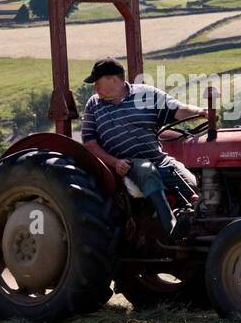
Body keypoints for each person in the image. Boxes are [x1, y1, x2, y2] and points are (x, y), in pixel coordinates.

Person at [80, 56, 204, 238]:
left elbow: (178, 110)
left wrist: (201, 112)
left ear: (114, 79)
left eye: (97, 82)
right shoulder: (94, 104)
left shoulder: (146, 94)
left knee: (190, 181)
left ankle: (199, 224)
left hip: (158, 158)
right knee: (147, 171)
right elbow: (90, 143)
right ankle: (170, 227)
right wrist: (115, 162)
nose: (95, 88)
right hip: (125, 164)